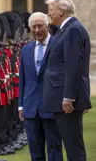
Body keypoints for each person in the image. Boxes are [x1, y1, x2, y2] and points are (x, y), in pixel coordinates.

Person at [43, 0, 92, 161]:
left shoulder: (73, 30)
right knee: (70, 145)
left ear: (61, 12)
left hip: (66, 101)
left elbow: (73, 65)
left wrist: (69, 97)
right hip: (60, 97)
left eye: (51, 10)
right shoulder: (65, 30)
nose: (49, 14)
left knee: (73, 148)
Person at [18, 12, 63, 161]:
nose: (37, 30)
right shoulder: (25, 50)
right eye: (33, 27)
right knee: (35, 154)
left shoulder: (59, 45)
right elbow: (23, 79)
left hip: (52, 107)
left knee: (54, 151)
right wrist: (20, 106)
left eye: (40, 26)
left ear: (48, 26)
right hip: (31, 109)